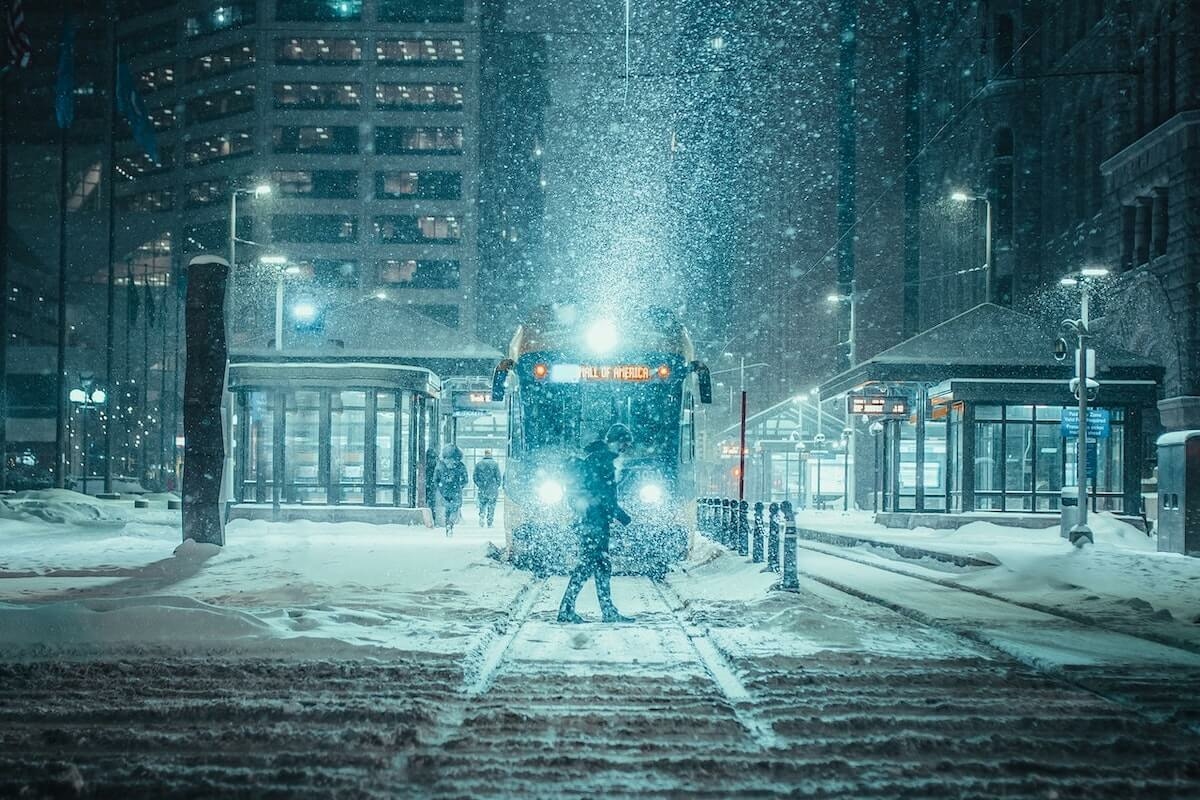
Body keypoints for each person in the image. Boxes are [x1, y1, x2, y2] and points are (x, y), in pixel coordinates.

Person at [557, 423, 635, 624]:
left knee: (600, 565)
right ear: (615, 440)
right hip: (594, 521)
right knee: (589, 565)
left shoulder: (599, 458)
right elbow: (602, 495)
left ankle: (605, 610)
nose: (624, 448)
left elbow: (599, 491)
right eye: (623, 443)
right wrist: (623, 517)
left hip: (592, 520)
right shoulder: (602, 460)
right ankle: (568, 610)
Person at [435, 444, 468, 536]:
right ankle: (451, 524)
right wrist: (460, 486)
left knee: (447, 509)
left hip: (444, 491)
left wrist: (440, 487)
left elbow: (436, 479)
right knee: (455, 509)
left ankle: (447, 525)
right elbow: (465, 479)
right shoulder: (460, 465)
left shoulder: (440, 465)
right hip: (456, 490)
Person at [473, 450, 502, 528]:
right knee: (491, 506)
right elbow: (498, 477)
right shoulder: (495, 464)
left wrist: (479, 484)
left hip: (482, 488)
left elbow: (475, 476)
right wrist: (496, 485)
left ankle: (482, 514)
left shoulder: (478, 464)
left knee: (482, 503)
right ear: (490, 455)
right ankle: (489, 521)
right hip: (492, 488)